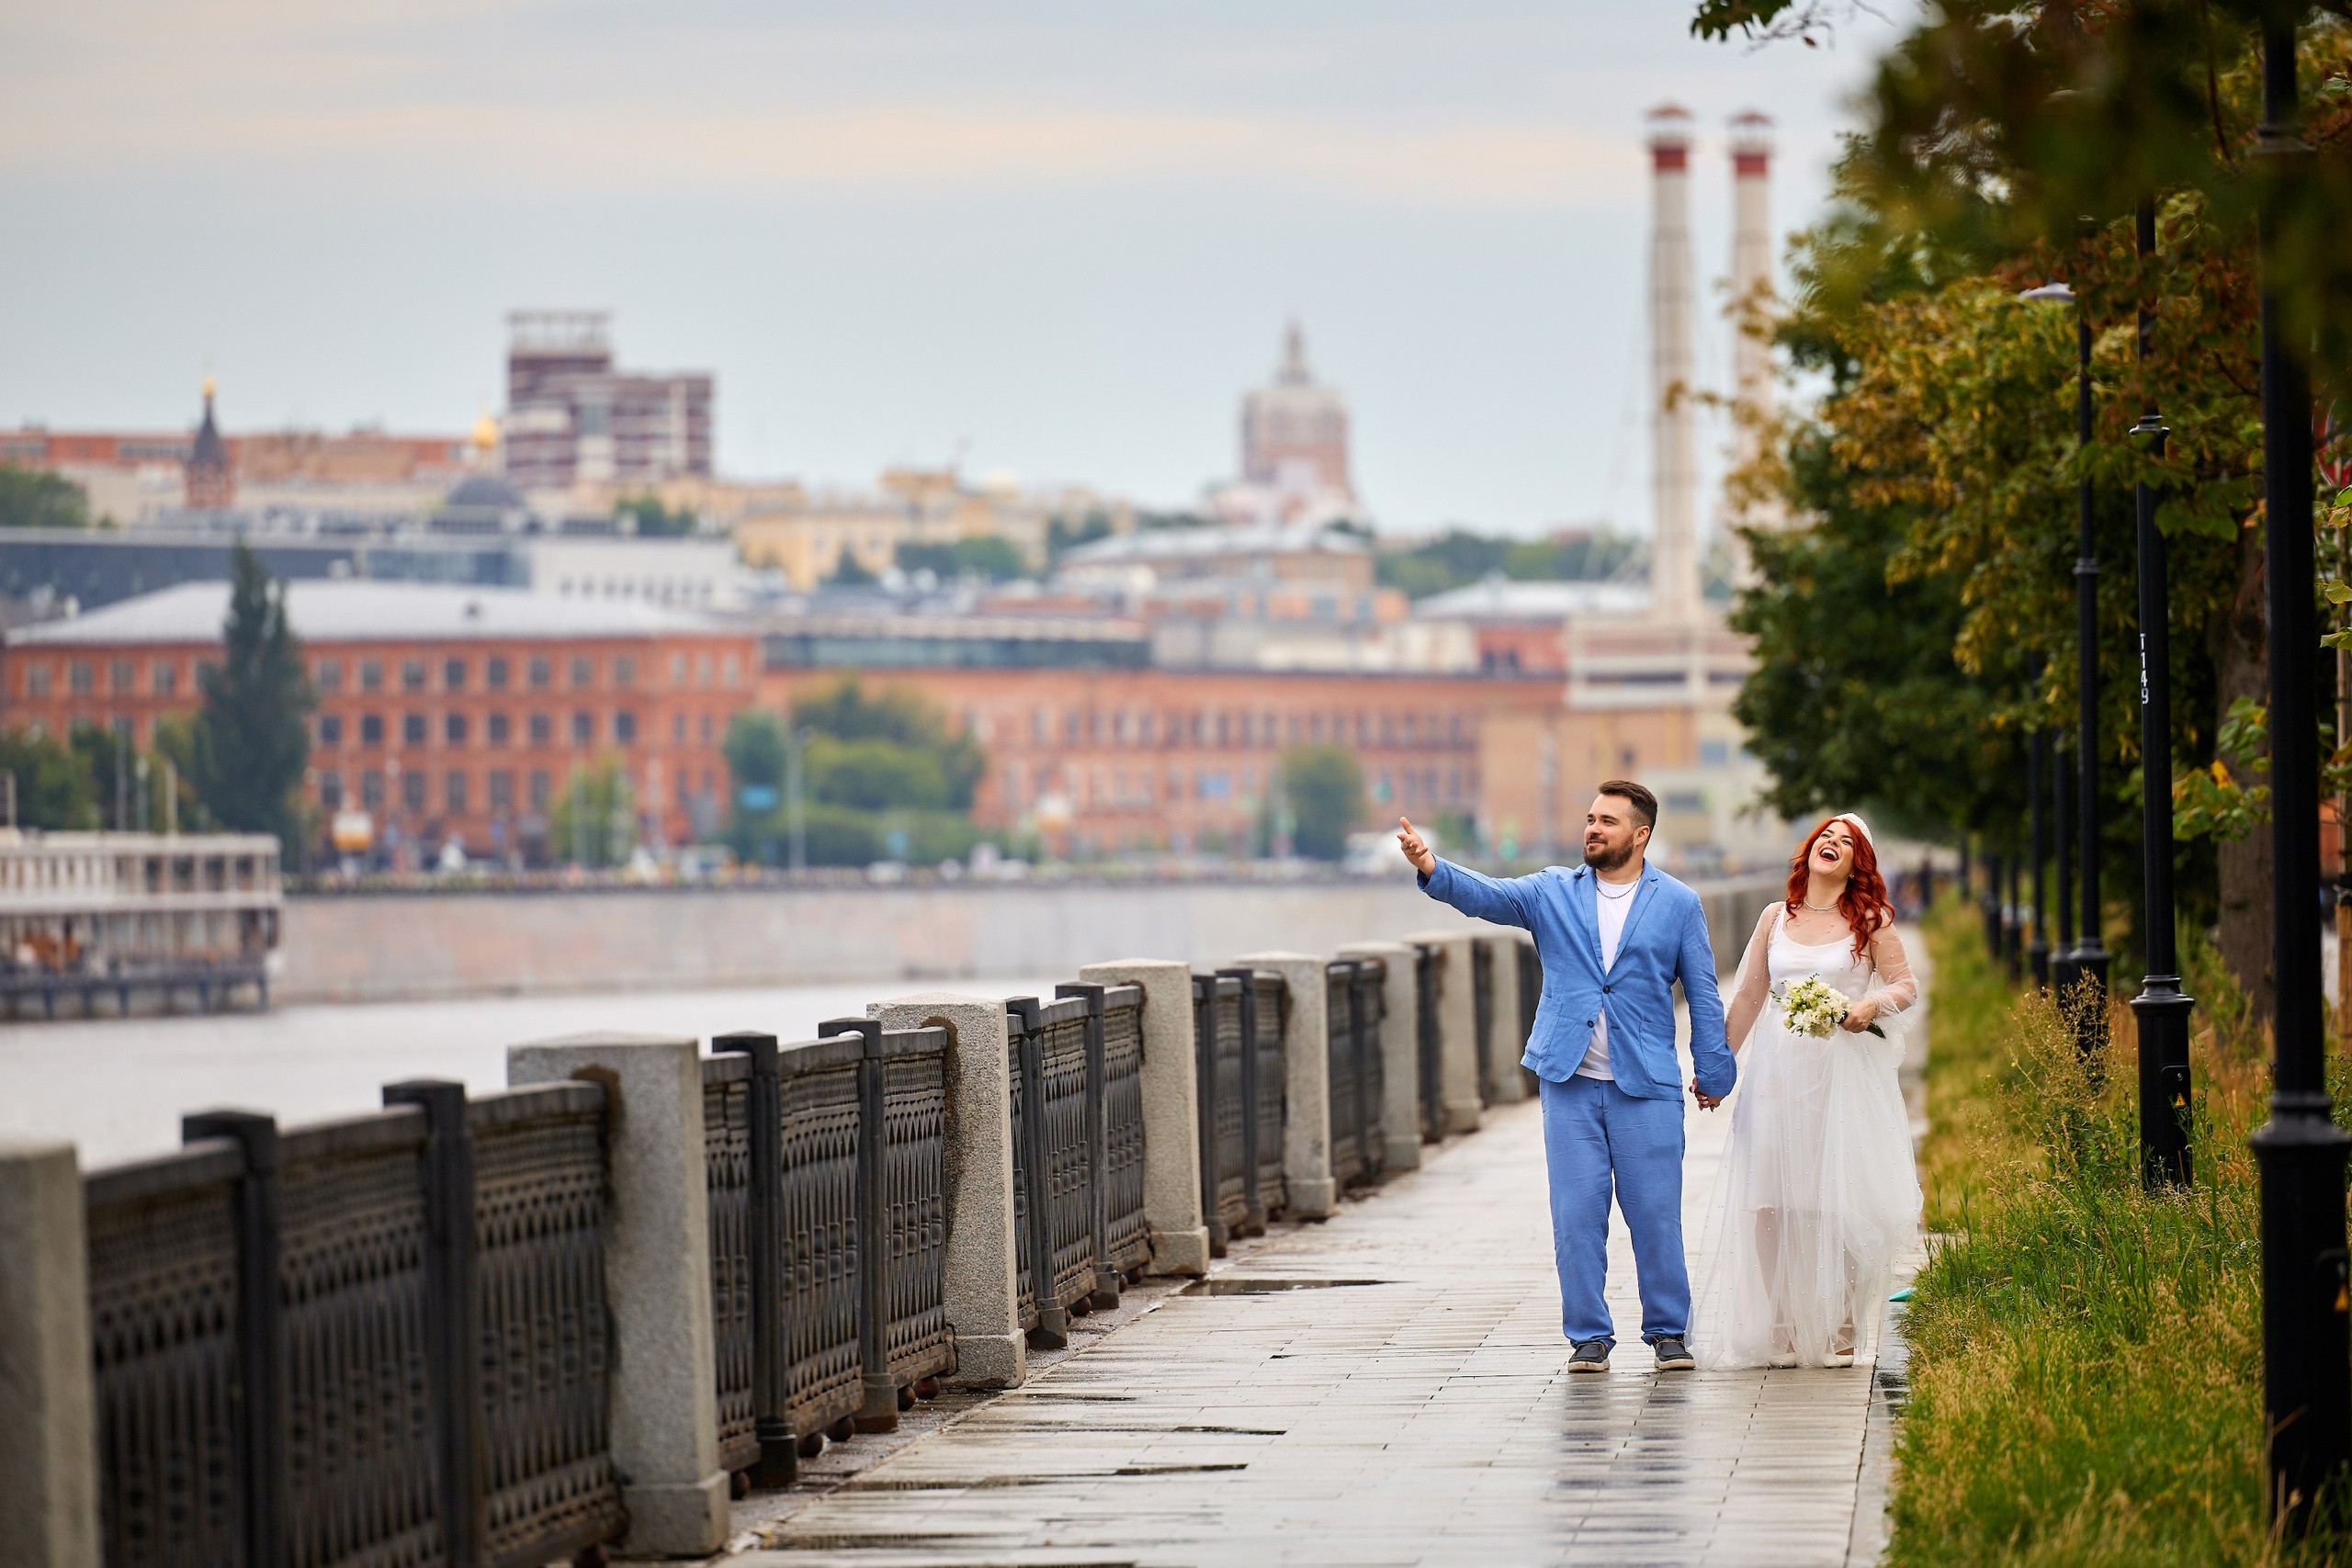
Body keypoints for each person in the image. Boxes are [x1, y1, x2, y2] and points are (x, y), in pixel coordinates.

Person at [1396, 781, 1736, 1374]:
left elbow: (1704, 993)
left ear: (1640, 834)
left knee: (1655, 1213)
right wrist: (1432, 867)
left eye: (1607, 820)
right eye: (1590, 818)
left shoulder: (1678, 902)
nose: (1593, 828)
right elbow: (1488, 896)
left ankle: (1667, 1331)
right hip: (1569, 1078)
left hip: (1647, 1084)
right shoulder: (1552, 890)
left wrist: (1713, 1070)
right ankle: (1588, 1336)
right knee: (1576, 1213)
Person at [1691, 813, 1921, 1370]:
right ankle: (1781, 1325)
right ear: (1810, 849)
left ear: (1857, 862)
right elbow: (1748, 997)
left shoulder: (1868, 919)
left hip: (1840, 1073)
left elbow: (1905, 986)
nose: (1833, 844)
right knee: (1769, 1196)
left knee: (1832, 1194)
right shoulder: (1776, 917)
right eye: (1827, 836)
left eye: (1847, 842)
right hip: (1776, 1073)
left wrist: (1868, 1005)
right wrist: (1718, 1069)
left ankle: (1841, 1321)